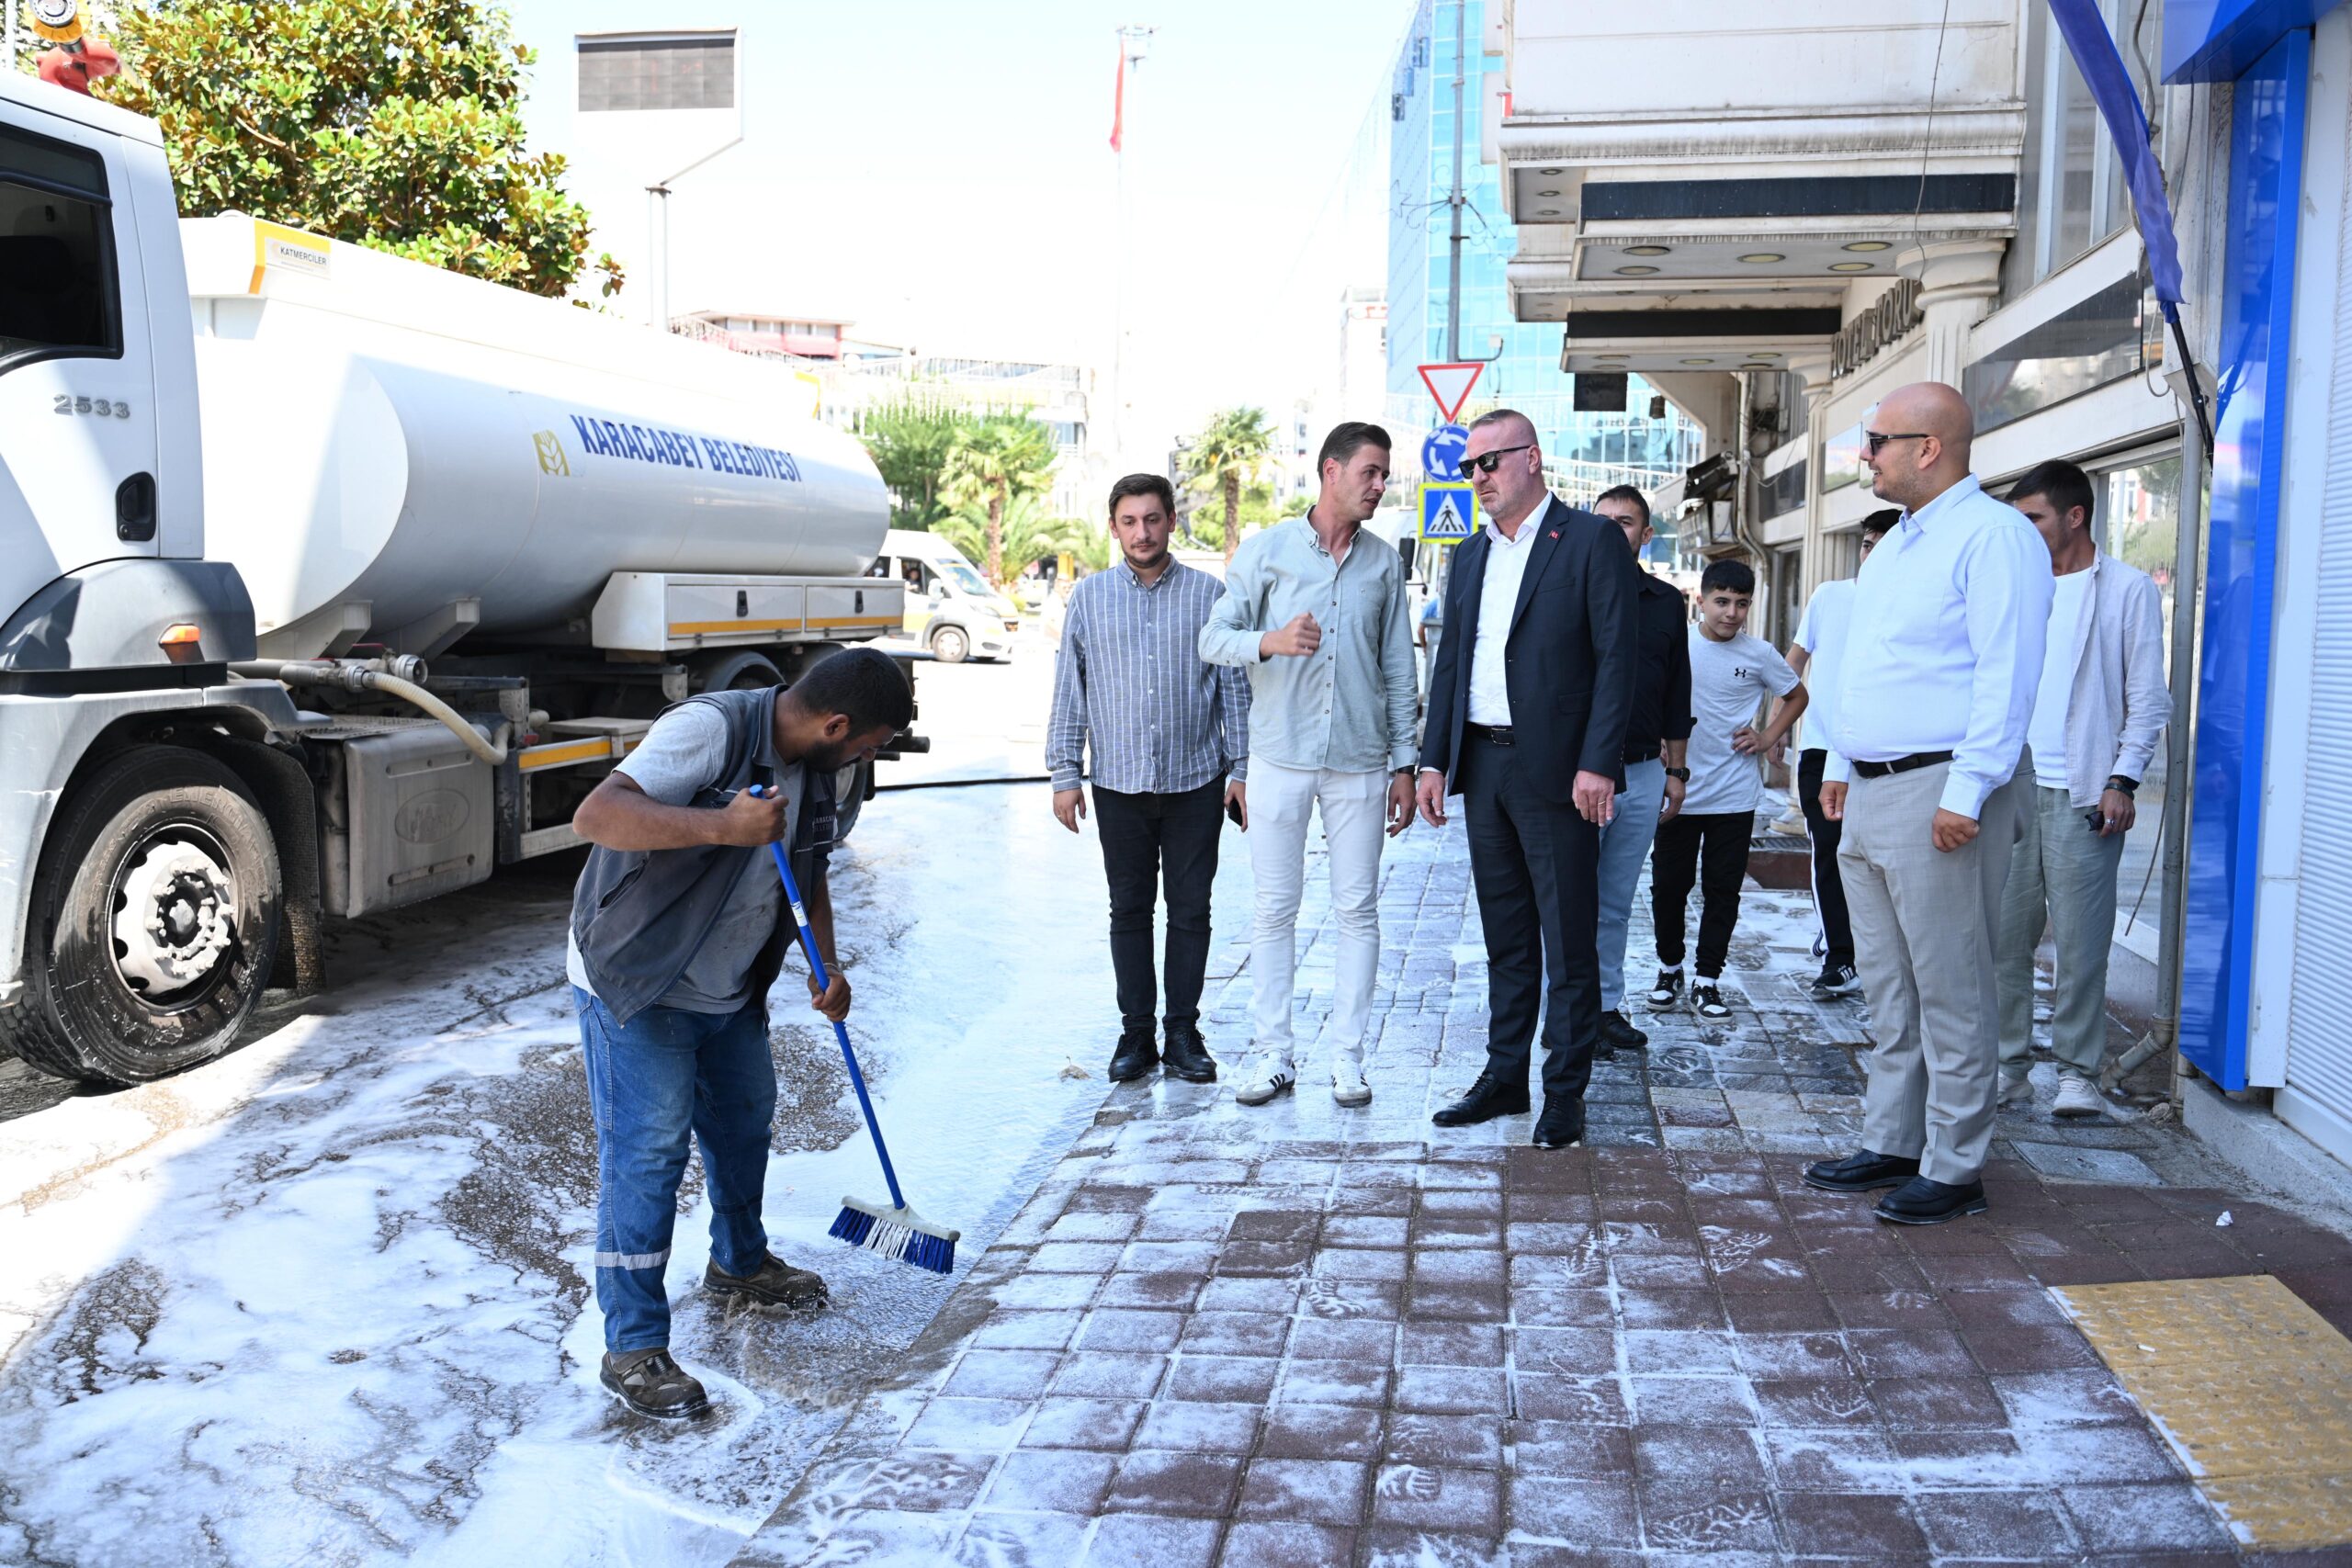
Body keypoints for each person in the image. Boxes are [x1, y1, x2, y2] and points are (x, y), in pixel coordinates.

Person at [566, 647, 913, 1418]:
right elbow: (598, 815)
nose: (869, 759)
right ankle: (632, 1347)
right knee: (648, 1153)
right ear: (836, 724)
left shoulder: (826, 772)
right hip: (641, 977)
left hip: (727, 982)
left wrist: (826, 964)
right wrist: (723, 824)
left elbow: (811, 873)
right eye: (869, 744)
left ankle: (740, 1263)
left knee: (745, 1118)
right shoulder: (711, 730)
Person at [1805, 382, 2054, 1226]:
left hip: (1942, 787)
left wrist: (1968, 790)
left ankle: (1955, 1165)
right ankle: (1894, 1138)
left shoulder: (1995, 536)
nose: (1865, 454)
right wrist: (1843, 759)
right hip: (1874, 788)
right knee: (1888, 982)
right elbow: (1866, 668)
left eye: (1877, 440)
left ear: (1929, 447)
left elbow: (2007, 675)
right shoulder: (1897, 545)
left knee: (1951, 984)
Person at [1414, 411, 1640, 1149]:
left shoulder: (1589, 540)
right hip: (1485, 763)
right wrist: (1434, 759)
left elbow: (1617, 658)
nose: (1478, 477)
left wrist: (1598, 761)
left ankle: (1564, 1090)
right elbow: (1451, 662)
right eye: (1469, 467)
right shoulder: (1470, 553)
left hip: (1560, 769)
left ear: (1533, 458)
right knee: (1506, 933)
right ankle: (1505, 1074)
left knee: (1568, 937)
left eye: (1490, 461)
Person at [1200, 422, 1419, 1109]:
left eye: (1384, 475)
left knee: (1358, 909)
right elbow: (1213, 638)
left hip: (1361, 759)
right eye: (1370, 472)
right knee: (1273, 909)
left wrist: (1406, 763)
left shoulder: (1384, 563)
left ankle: (1348, 1059)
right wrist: (1269, 640)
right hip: (1279, 756)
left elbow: (1398, 666)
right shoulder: (1266, 550)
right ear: (1332, 471)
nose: (1380, 485)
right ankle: (1274, 1055)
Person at [1046, 474, 1250, 1087]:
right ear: (1114, 527)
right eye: (1130, 521)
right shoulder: (1089, 598)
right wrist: (1064, 771)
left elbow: (1235, 689)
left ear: (1172, 522)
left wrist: (1242, 769)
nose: (1142, 532)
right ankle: (1136, 1033)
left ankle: (1183, 1032)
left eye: (1153, 519)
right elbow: (1070, 687)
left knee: (1191, 910)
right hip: (1118, 782)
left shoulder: (1210, 595)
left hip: (1196, 781)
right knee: (1129, 910)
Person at [1995, 460, 2166, 1119]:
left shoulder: (2126, 589)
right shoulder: (2018, 586)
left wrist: (2123, 779)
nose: (2023, 530)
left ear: (2075, 516)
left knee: (2081, 945)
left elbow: (2148, 699)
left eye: (2033, 517)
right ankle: (2007, 1067)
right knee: (2003, 940)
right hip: (2011, 786)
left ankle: (2076, 1073)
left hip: (2086, 792)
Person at [1645, 558, 1807, 1022]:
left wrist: (1767, 737)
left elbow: (1797, 696)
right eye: (1721, 601)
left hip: (1734, 794)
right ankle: (1669, 969)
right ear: (1701, 600)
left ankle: (1707, 979)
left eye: (1741, 603)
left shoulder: (1759, 654)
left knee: (1723, 890)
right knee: (1669, 887)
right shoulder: (1677, 644)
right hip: (1677, 789)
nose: (1731, 613)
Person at [1589, 485, 1691, 1053]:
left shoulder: (1666, 602)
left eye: (1624, 522)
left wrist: (1678, 771)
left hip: (1646, 770)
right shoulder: (1567, 591)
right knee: (1569, 900)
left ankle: (1605, 1008)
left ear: (1646, 534)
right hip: (1582, 775)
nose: (1611, 530)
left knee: (1615, 901)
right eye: (1602, 520)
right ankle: (1565, 1014)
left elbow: (1678, 689)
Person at [1786, 510, 1898, 998]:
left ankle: (1868, 946)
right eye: (1867, 544)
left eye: (1882, 545)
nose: (1871, 554)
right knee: (1828, 853)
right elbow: (1792, 665)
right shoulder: (1830, 596)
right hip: (1821, 748)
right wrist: (1773, 731)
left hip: (1883, 755)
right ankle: (1840, 956)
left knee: (1874, 858)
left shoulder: (1907, 602)